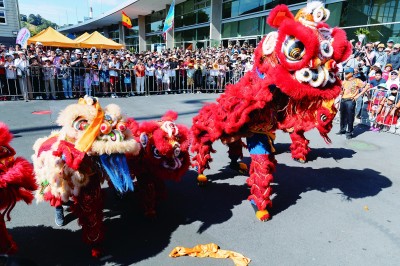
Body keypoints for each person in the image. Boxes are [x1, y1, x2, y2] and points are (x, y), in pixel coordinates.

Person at [337, 67, 369, 139]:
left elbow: (367, 86)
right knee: (342, 116)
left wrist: (358, 95)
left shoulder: (357, 80)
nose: (346, 74)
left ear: (351, 73)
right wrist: (341, 93)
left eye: (347, 73)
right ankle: (342, 130)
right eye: (345, 73)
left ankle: (349, 132)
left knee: (350, 117)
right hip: (343, 99)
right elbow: (343, 90)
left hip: (350, 100)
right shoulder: (344, 81)